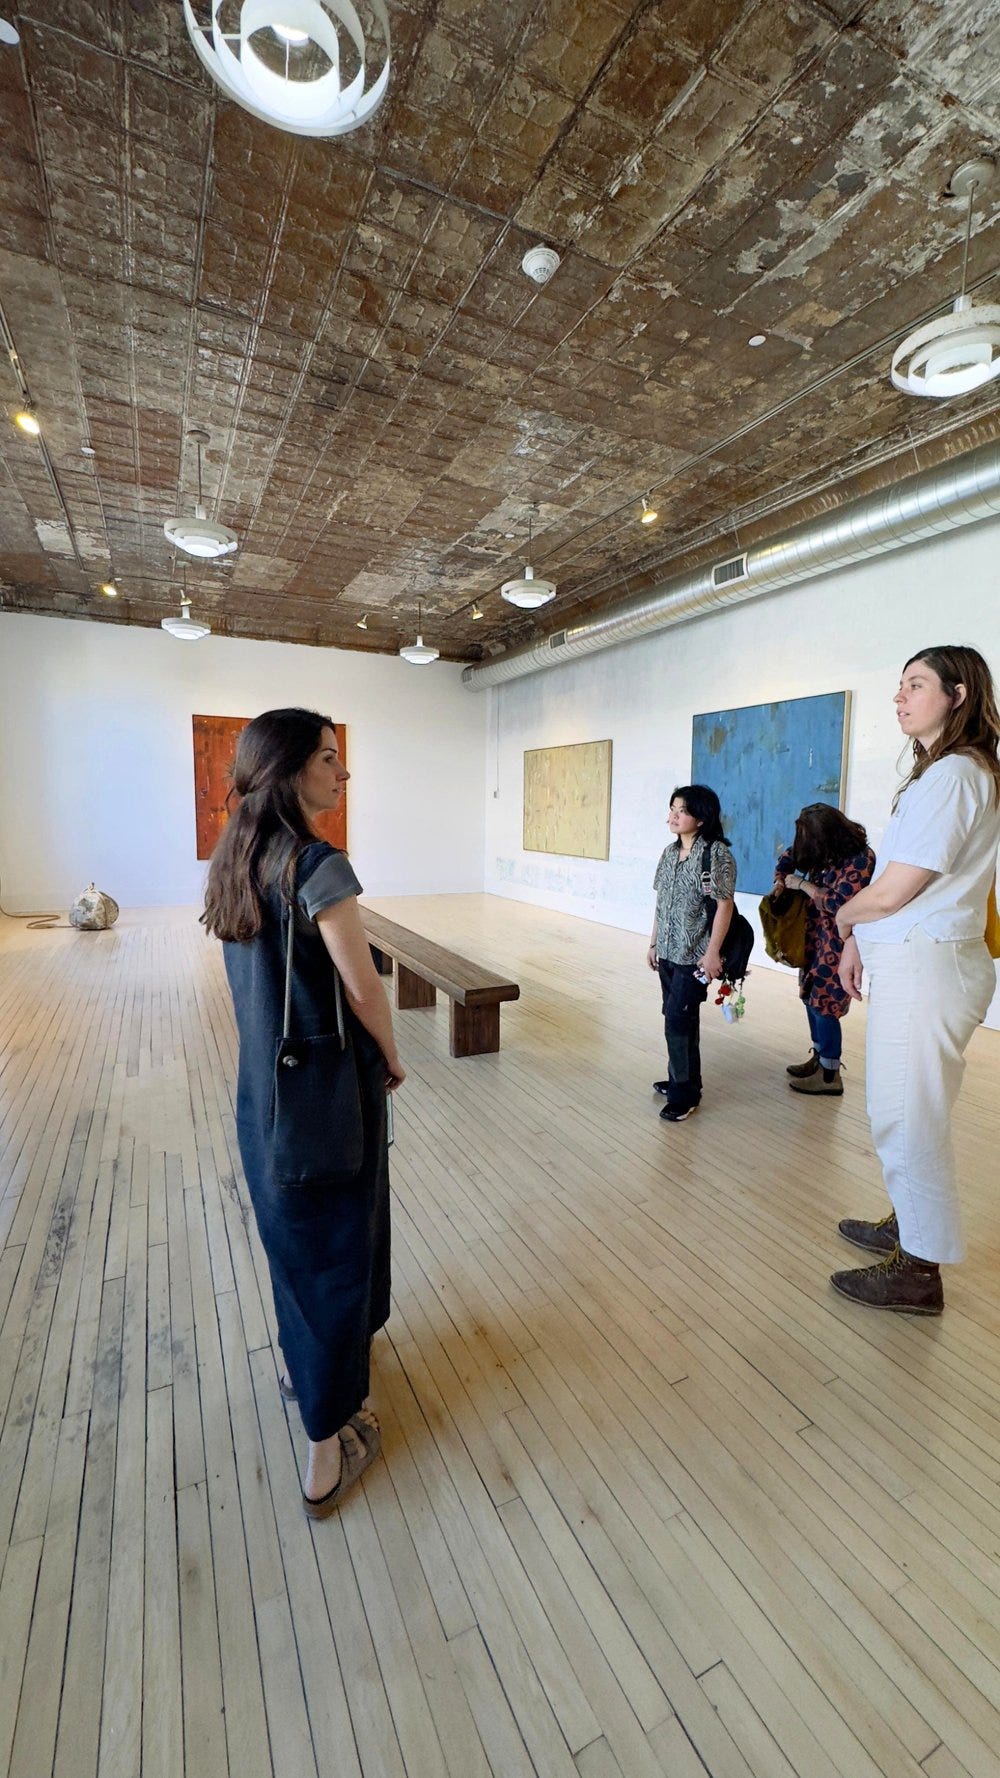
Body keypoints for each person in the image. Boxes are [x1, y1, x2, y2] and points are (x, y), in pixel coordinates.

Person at [203, 709, 405, 1514]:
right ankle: (326, 1448)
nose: (342, 772)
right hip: (324, 1099)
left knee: (295, 1247)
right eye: (327, 758)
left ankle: (310, 1369)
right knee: (336, 1252)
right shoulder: (318, 863)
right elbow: (363, 988)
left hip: (265, 1099)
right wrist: (392, 1055)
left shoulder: (237, 855)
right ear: (289, 770)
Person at [831, 646, 1000, 1314]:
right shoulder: (945, 772)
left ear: (958, 696)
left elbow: (897, 889)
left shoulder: (956, 774)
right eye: (899, 685)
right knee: (908, 1108)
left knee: (905, 1116)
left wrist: (843, 919)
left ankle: (919, 1271)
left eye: (916, 684)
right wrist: (860, 941)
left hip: (927, 968)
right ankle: (911, 1223)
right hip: (917, 961)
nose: (900, 697)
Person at [647, 784, 736, 1122]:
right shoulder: (669, 853)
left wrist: (713, 953)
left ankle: (683, 1094)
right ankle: (682, 1079)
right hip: (668, 953)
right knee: (680, 1018)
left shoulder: (715, 854)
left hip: (695, 957)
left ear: (700, 818)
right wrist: (653, 943)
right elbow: (662, 904)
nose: (673, 816)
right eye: (672, 809)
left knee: (677, 1020)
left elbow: (724, 905)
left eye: (681, 811)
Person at [774, 805, 875, 1096]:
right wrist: (780, 879)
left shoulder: (861, 859)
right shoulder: (820, 848)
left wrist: (803, 885)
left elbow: (841, 905)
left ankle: (830, 1075)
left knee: (825, 1003)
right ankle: (819, 1058)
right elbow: (789, 857)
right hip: (813, 937)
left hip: (838, 943)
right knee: (809, 995)